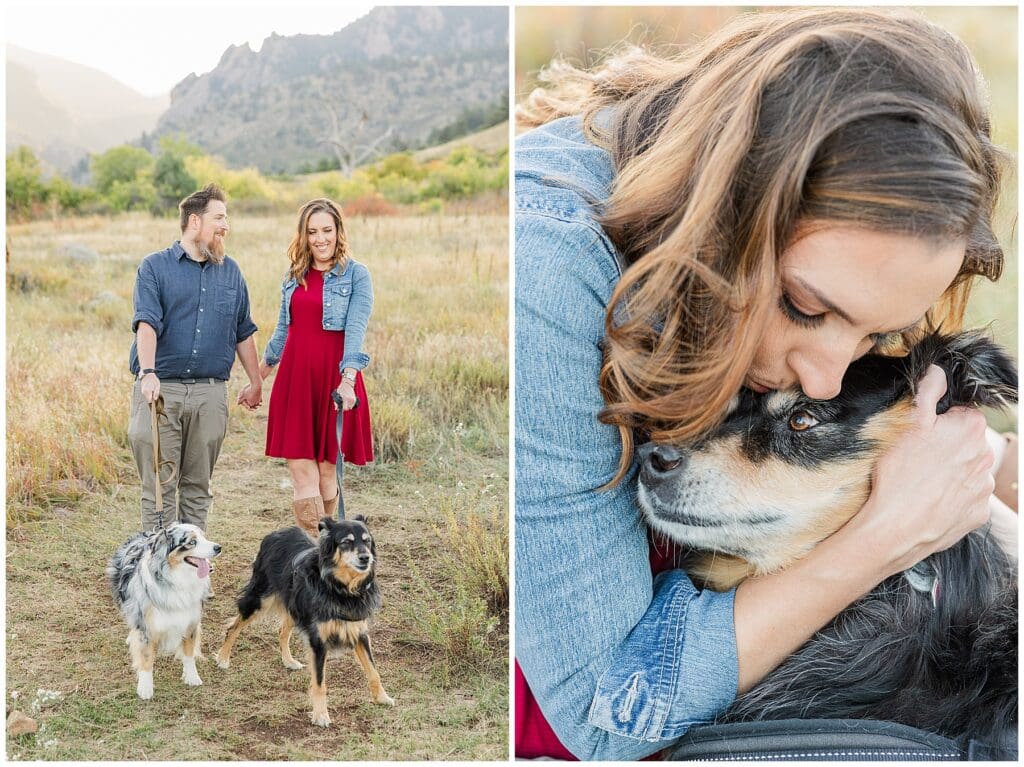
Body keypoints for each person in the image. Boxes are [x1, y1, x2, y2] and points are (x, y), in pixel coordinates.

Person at [513, 8, 1018, 760]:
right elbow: (605, 711)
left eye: (874, 335)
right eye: (806, 308)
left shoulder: (814, 298)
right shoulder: (549, 270)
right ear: (731, 209)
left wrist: (987, 467)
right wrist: (887, 535)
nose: (824, 374)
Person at [128, 183, 261, 533]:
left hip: (210, 393)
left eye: (227, 218)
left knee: (198, 487)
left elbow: (243, 330)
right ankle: (157, 572)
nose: (226, 226)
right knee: (160, 486)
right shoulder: (155, 267)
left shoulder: (231, 272)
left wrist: (256, 381)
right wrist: (148, 372)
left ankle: (192, 573)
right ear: (194, 220)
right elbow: (146, 323)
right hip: (161, 391)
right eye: (219, 217)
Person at [247, 198, 374, 536]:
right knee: (302, 474)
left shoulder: (356, 275)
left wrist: (348, 380)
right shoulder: (293, 276)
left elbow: (356, 331)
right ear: (303, 235)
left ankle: (326, 548)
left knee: (327, 473)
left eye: (327, 231)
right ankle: (315, 552)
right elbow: (282, 332)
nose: (320, 239)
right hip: (296, 380)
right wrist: (257, 377)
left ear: (338, 232)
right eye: (312, 231)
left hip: (334, 381)